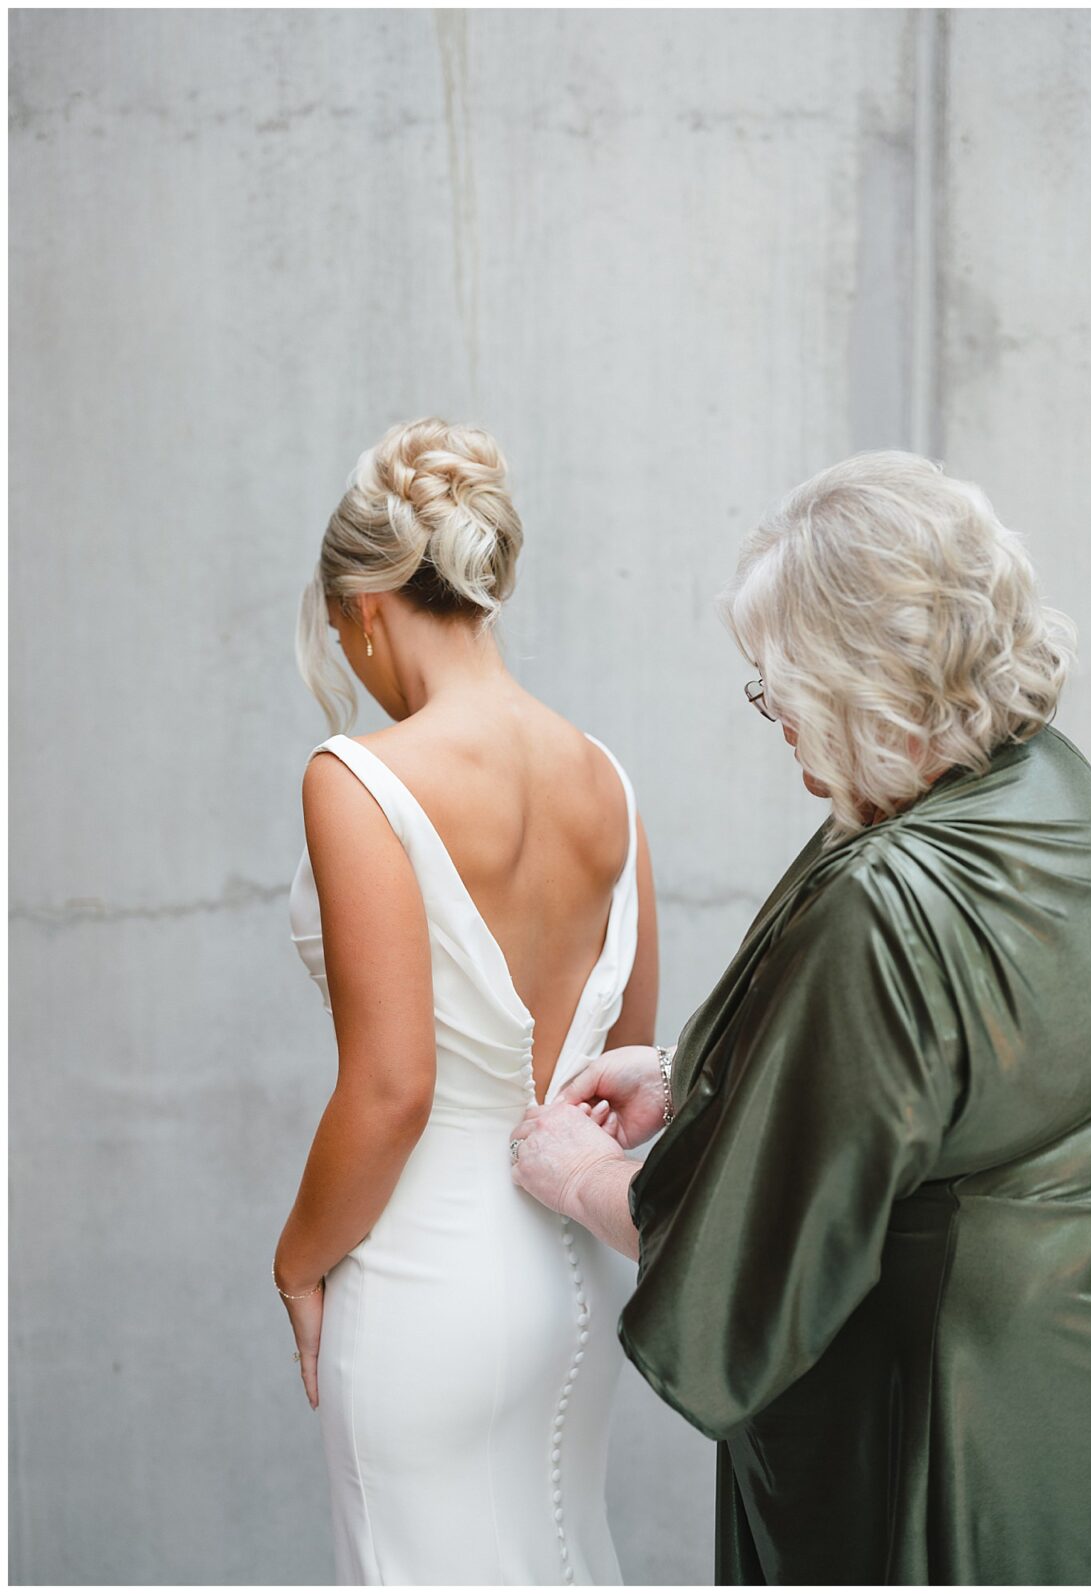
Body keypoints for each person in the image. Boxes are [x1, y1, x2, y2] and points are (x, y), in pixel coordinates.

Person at [510, 451, 1091, 1586]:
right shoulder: (1050, 795)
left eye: (779, 685)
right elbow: (973, 1070)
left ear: (862, 680)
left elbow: (757, 1260)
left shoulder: (889, 896)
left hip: (949, 1432)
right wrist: (700, 1072)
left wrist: (581, 1176)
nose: (773, 719)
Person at [273, 418, 658, 1585]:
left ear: (369, 605)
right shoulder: (605, 775)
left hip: (423, 1280)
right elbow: (626, 1058)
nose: (353, 662)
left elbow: (393, 1088)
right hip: (574, 1271)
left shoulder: (359, 777)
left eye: (344, 632)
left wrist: (296, 1262)